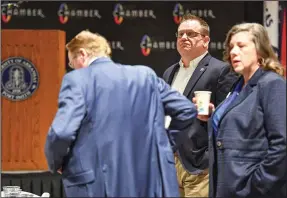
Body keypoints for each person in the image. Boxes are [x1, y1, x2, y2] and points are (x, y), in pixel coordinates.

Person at [44, 30, 198, 197]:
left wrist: (57, 162)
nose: (73, 68)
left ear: (82, 54)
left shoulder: (78, 80)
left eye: (72, 63)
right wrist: (163, 144)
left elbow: (61, 132)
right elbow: (187, 110)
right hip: (147, 183)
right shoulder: (145, 76)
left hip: (96, 186)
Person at [195, 22, 286, 198]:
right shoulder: (238, 86)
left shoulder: (272, 84)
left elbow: (282, 145)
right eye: (231, 47)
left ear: (260, 50)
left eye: (241, 46)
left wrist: (255, 186)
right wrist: (213, 116)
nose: (233, 52)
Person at [163, 14, 238, 197]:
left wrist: (211, 114)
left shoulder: (221, 70)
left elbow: (230, 118)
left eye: (190, 34)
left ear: (205, 40)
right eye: (180, 34)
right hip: (169, 162)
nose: (184, 38)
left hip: (199, 166)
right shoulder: (169, 72)